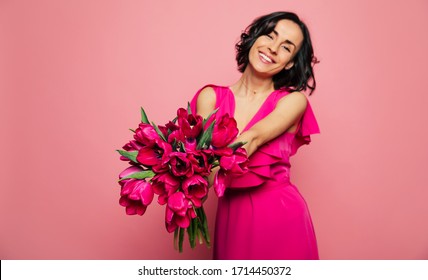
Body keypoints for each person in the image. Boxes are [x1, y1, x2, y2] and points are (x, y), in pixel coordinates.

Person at [190, 11, 320, 260]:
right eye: (270, 36)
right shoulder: (210, 97)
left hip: (282, 217)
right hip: (232, 218)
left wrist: (202, 167)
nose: (272, 48)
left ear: (291, 62)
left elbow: (255, 137)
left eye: (285, 47)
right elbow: (202, 170)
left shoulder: (293, 102)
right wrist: (175, 177)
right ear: (254, 37)